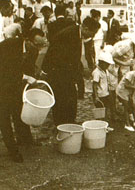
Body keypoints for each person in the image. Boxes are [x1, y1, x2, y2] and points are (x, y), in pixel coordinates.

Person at [0, 27, 47, 163]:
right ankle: (13, 150)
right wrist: (25, 77)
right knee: (4, 117)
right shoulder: (9, 45)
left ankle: (25, 140)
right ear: (27, 40)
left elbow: (29, 68)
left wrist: (36, 77)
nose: (39, 49)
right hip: (2, 83)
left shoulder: (32, 50)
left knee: (19, 110)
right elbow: (4, 69)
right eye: (36, 44)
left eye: (41, 45)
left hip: (14, 85)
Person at [42, 16, 100, 126]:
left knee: (71, 97)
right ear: (86, 28)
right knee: (60, 99)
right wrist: (46, 71)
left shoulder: (78, 34)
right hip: (58, 72)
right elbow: (53, 54)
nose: (93, 36)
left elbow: (74, 57)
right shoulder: (68, 34)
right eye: (93, 33)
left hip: (68, 72)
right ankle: (60, 124)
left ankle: (70, 122)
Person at [92, 51, 116, 122]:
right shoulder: (97, 72)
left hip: (106, 93)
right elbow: (94, 84)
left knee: (106, 109)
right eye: (106, 64)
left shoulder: (106, 71)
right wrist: (96, 96)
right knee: (100, 112)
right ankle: (101, 124)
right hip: (100, 95)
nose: (108, 66)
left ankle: (105, 124)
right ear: (101, 62)